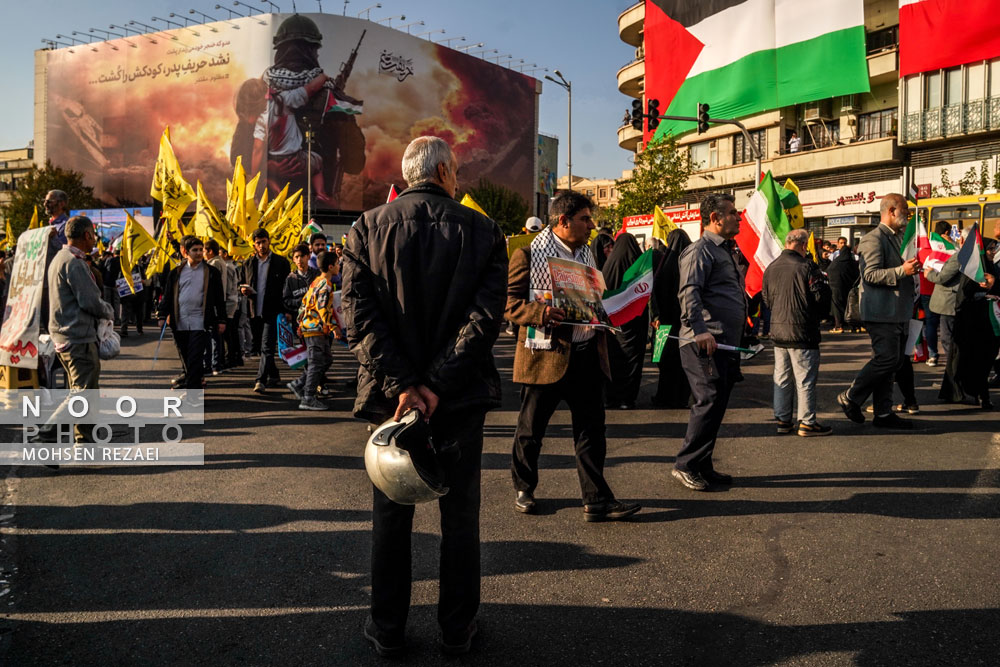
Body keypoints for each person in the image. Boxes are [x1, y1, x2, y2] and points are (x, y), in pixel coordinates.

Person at [342, 136, 507, 657]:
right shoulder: (483, 231)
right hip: (455, 401)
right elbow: (482, 322)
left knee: (392, 515)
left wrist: (404, 387)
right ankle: (457, 629)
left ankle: (387, 629)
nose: (458, 181)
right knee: (460, 517)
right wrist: (434, 385)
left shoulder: (366, 227)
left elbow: (358, 318)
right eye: (456, 173)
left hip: (394, 406)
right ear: (442, 173)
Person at [506, 190, 641, 519]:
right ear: (563, 221)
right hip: (546, 356)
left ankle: (595, 500)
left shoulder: (588, 257)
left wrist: (613, 307)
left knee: (592, 432)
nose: (592, 226)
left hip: (587, 355)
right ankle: (524, 488)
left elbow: (596, 299)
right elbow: (510, 306)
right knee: (531, 430)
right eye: (585, 219)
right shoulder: (527, 254)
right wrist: (540, 314)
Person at [671, 193, 747, 491]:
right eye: (732, 213)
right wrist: (700, 329)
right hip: (702, 341)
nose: (738, 217)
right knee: (708, 400)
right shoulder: (699, 250)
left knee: (718, 403)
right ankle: (685, 464)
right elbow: (689, 292)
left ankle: (702, 463)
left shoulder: (725, 250)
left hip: (723, 343)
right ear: (715, 218)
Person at [837, 194, 919, 430]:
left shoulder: (898, 237)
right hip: (881, 311)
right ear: (892, 210)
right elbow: (870, 275)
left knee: (892, 363)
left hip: (898, 311)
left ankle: (883, 413)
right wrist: (902, 271)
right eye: (904, 209)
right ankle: (851, 396)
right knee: (887, 359)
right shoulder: (873, 239)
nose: (908, 214)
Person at [41, 215, 114, 444]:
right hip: (78, 337)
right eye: (93, 235)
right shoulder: (74, 262)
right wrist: (109, 311)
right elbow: (90, 301)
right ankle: (47, 433)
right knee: (82, 392)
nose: (95, 240)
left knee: (85, 389)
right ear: (86, 235)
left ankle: (85, 438)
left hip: (66, 335)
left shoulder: (60, 258)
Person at [762, 229, 833, 436]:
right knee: (805, 379)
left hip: (778, 330)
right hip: (803, 330)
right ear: (803, 245)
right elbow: (820, 297)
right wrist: (819, 315)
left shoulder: (771, 267)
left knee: (782, 377)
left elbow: (766, 300)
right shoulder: (807, 266)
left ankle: (783, 419)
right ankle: (807, 422)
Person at [156, 236, 227, 390]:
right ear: (185, 252)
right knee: (187, 358)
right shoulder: (176, 273)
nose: (199, 253)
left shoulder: (211, 272)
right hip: (179, 322)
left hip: (200, 322)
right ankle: (194, 383)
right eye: (195, 250)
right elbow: (168, 295)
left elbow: (219, 299)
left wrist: (222, 320)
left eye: (201, 250)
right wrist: (162, 315)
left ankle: (193, 396)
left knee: (195, 357)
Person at [289, 250, 341, 410]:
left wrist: (300, 324)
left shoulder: (315, 282)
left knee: (325, 360)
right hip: (315, 329)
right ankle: (308, 398)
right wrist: (334, 327)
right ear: (331, 266)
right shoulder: (325, 284)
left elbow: (304, 304)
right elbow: (322, 308)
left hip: (311, 328)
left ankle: (299, 384)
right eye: (338, 264)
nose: (339, 267)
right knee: (316, 363)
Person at [242, 228, 291, 393]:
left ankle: (260, 380)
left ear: (269, 241)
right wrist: (243, 290)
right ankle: (274, 375)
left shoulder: (281, 262)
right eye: (258, 243)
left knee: (267, 347)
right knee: (261, 347)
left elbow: (286, 289)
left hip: (274, 311)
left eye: (263, 242)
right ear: (254, 245)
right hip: (254, 310)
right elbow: (241, 282)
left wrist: (286, 311)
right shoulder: (248, 263)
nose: (261, 245)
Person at [602, 232, 647, 410]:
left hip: (614, 321)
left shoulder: (609, 266)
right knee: (633, 359)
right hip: (635, 322)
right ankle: (627, 398)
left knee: (613, 358)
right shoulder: (639, 266)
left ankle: (611, 397)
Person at [650, 228, 692, 408]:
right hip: (686, 323)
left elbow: (655, 293)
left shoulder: (664, 265)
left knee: (665, 363)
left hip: (664, 325)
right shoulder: (690, 264)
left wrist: (656, 316)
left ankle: (664, 396)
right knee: (685, 362)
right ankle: (682, 397)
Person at [204, 239, 231, 375]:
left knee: (214, 335)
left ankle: (214, 364)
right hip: (220, 302)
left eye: (203, 251)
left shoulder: (214, 264)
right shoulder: (221, 262)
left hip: (214, 304)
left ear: (210, 251)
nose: (202, 255)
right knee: (216, 335)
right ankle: (217, 363)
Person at [827, 238, 860, 333]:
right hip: (849, 288)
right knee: (849, 306)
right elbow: (856, 274)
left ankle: (838, 326)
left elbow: (829, 272)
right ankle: (853, 326)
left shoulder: (836, 262)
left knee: (837, 306)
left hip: (836, 288)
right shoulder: (852, 263)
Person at [283, 243, 320, 320]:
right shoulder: (290, 278)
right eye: (297, 257)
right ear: (293, 259)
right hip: (298, 319)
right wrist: (301, 301)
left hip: (317, 318)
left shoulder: (317, 275)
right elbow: (286, 300)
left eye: (302, 256)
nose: (299, 259)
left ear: (308, 257)